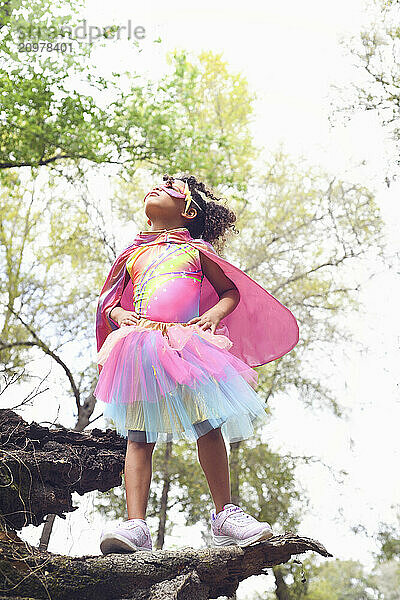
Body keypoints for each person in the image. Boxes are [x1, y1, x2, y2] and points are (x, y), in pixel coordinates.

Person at [95, 174, 299, 554]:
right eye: (156, 186)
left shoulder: (197, 251)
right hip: (141, 347)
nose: (156, 188)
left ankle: (224, 515)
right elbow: (111, 301)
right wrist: (120, 314)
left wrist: (212, 316)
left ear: (188, 210)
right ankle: (136, 525)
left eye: (170, 189)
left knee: (208, 424)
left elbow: (230, 291)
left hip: (186, 345)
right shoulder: (133, 254)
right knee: (138, 436)